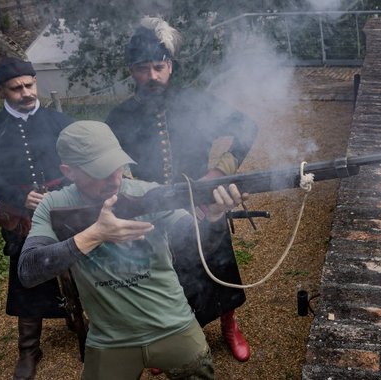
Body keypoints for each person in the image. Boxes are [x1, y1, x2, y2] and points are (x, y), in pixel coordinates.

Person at [18, 120, 244, 379]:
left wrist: (213, 217)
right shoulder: (54, 205)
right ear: (69, 171)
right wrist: (95, 235)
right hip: (108, 338)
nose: (114, 178)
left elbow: (194, 246)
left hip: (173, 323)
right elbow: (28, 270)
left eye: (116, 166)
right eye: (99, 171)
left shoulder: (148, 193)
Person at [105, 16, 258, 362]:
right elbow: (111, 164)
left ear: (170, 66)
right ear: (132, 71)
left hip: (202, 203)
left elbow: (247, 127)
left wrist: (219, 170)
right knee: (163, 276)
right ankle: (169, 336)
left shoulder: (196, 101)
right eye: (144, 69)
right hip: (150, 210)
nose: (152, 76)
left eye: (159, 67)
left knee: (218, 267)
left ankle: (229, 324)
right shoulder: (119, 117)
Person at [0, 56, 75, 380]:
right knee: (25, 274)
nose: (26, 92)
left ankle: (96, 326)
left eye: (30, 85)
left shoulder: (60, 123)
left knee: (82, 260)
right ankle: (29, 349)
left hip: (64, 209)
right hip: (21, 216)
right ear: (2, 90)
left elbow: (81, 162)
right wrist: (18, 197)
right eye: (16, 88)